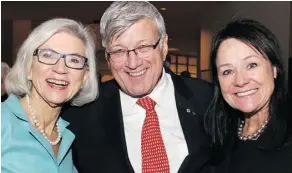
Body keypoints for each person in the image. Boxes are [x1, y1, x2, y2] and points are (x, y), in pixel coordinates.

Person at [62, 1, 214, 173]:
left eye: (143, 47)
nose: (133, 63)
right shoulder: (80, 116)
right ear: (107, 56)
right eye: (119, 51)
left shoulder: (209, 101)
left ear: (163, 46)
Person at [1, 18, 98, 173]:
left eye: (74, 60)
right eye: (48, 55)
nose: (60, 69)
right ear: (29, 67)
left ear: (84, 77)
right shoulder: (3, 122)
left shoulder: (66, 136)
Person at [205, 18, 292, 173]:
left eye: (251, 65)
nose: (240, 81)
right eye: (228, 71)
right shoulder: (216, 137)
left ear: (274, 70)